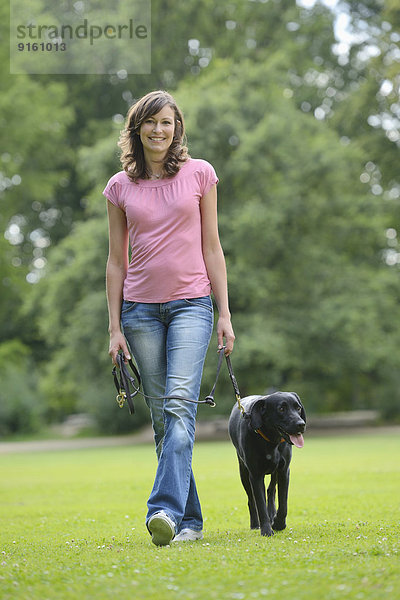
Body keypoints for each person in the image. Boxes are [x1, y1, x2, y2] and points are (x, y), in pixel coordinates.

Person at [103, 90, 235, 546]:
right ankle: (191, 521)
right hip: (139, 312)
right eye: (151, 122)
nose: (160, 130)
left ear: (177, 129)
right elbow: (115, 261)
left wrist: (224, 313)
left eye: (168, 123)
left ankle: (161, 509)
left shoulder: (200, 174)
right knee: (163, 419)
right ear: (137, 128)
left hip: (192, 305)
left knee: (179, 404)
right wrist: (115, 327)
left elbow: (212, 247)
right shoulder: (120, 186)